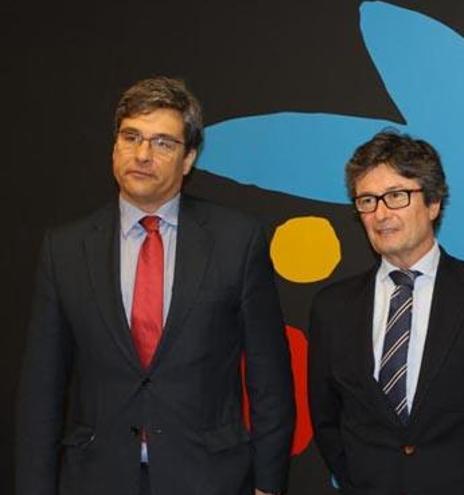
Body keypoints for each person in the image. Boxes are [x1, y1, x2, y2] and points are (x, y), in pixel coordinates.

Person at [15, 77, 294, 495]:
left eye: (163, 143)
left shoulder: (237, 241)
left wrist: (269, 486)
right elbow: (41, 389)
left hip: (209, 478)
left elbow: (269, 379)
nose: (142, 154)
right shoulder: (65, 249)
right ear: (114, 148)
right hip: (95, 478)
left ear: (189, 159)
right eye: (131, 137)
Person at [308, 130, 464, 494]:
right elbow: (327, 421)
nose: (380, 213)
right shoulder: (332, 309)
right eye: (367, 200)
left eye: (396, 196)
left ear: (433, 203)